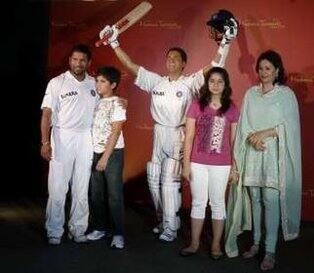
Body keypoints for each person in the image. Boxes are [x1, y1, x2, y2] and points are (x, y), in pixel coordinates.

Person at [98, 11, 238, 242]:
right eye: (168, 58)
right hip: (159, 133)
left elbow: (215, 67)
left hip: (178, 135)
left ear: (183, 63)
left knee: (169, 183)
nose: (171, 60)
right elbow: (132, 66)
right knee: (153, 179)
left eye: (175, 58)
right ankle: (165, 220)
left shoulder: (190, 82)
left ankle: (171, 229)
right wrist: (114, 43)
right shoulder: (157, 82)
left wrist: (225, 44)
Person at [224, 50, 302, 271]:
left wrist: (264, 134)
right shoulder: (251, 94)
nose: (264, 72)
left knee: (270, 200)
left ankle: (270, 251)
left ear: (277, 71)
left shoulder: (286, 95)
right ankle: (256, 243)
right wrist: (253, 138)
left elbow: (290, 127)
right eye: (261, 68)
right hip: (253, 153)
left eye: (268, 68)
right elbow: (244, 124)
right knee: (255, 199)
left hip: (274, 157)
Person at [40, 44, 98, 245]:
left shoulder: (94, 83)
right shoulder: (57, 83)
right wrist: (45, 142)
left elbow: (106, 105)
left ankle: (78, 228)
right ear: (69, 61)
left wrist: (120, 102)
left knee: (81, 188)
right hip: (62, 136)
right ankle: (54, 231)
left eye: (82, 60)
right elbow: (46, 114)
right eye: (75, 59)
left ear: (88, 63)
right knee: (58, 187)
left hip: (86, 138)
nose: (78, 63)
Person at [179, 67, 239, 260]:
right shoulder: (196, 105)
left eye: (219, 81)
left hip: (222, 165)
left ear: (225, 85)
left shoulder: (232, 108)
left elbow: (234, 141)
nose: (215, 84)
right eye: (212, 81)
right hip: (197, 163)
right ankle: (194, 243)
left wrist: (235, 168)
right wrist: (186, 165)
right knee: (198, 202)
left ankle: (215, 245)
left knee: (218, 203)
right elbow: (188, 137)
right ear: (207, 83)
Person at [86, 66, 126, 249]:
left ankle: (118, 233)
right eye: (98, 80)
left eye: (103, 81)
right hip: (95, 152)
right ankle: (99, 228)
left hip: (112, 154)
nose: (98, 84)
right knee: (96, 193)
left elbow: (116, 131)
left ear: (113, 84)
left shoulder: (117, 103)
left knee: (114, 195)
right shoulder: (96, 101)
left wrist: (104, 158)